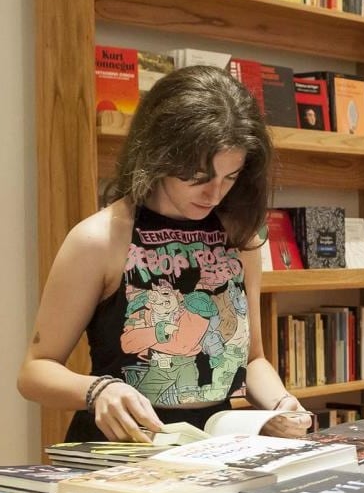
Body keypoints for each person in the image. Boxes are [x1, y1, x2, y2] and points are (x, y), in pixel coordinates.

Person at [18, 65, 311, 443]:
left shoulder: (240, 235)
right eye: (198, 177)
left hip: (212, 448)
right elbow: (35, 372)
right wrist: (97, 390)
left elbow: (252, 359)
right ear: (159, 155)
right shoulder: (99, 239)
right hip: (123, 451)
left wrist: (281, 403)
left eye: (230, 177)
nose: (214, 194)